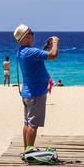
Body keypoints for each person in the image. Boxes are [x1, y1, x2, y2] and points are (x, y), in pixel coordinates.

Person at [14, 24, 59, 152]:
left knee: (28, 124)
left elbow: (39, 55)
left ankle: (27, 150)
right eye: (31, 33)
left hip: (29, 92)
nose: (34, 34)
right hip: (36, 93)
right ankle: (29, 151)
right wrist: (55, 42)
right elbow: (53, 55)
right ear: (25, 37)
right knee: (33, 125)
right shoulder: (29, 52)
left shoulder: (24, 51)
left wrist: (46, 45)